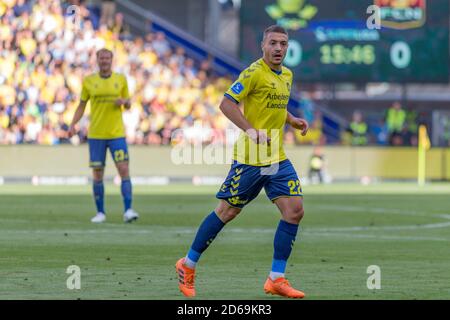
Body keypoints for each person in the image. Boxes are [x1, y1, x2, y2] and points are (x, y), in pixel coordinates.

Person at [175, 25, 309, 298]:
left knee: (294, 210)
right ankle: (187, 264)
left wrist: (292, 119)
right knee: (227, 212)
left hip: (276, 156)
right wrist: (250, 130)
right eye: (273, 43)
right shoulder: (253, 73)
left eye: (283, 44)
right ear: (263, 45)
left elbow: (276, 105)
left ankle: (276, 277)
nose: (278, 49)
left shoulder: (287, 75)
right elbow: (226, 103)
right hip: (250, 158)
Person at [68, 48, 139, 223]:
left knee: (123, 169)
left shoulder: (120, 79)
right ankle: (100, 213)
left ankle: (128, 210)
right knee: (98, 174)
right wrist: (72, 124)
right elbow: (82, 105)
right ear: (97, 60)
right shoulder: (89, 81)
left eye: (107, 57)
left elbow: (129, 104)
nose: (105, 60)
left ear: (112, 60)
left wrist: (125, 102)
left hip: (117, 134)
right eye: (102, 58)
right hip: (96, 134)